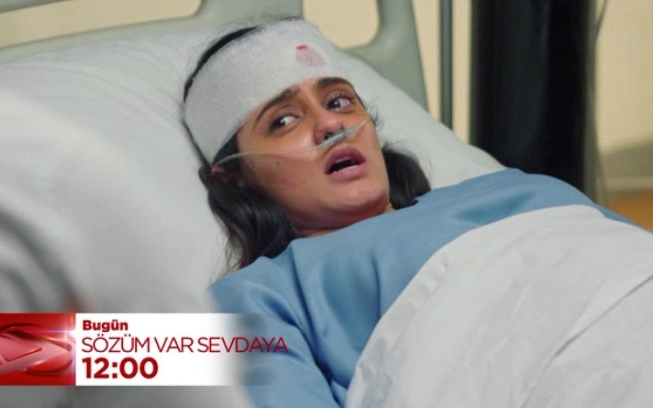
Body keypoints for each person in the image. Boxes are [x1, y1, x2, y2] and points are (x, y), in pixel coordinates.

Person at [182, 19, 630, 406]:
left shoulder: (514, 188)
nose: (332, 124)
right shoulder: (256, 297)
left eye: (338, 101)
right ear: (234, 179)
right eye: (284, 120)